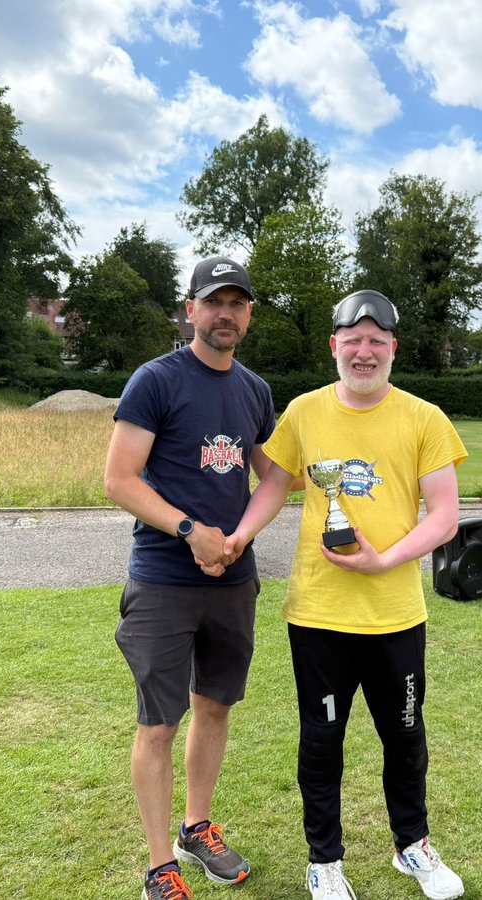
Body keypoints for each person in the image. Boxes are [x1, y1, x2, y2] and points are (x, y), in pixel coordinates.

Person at [223, 289, 467, 900]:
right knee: (322, 741)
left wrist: (384, 559)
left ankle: (412, 846)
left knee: (405, 737)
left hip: (395, 615)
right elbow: (274, 484)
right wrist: (239, 536)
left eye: (376, 341)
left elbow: (444, 516)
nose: (364, 352)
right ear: (334, 346)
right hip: (319, 614)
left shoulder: (425, 418)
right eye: (353, 340)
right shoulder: (305, 412)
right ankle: (324, 862)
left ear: (393, 349)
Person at [104, 255, 275, 900]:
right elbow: (119, 479)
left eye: (236, 304)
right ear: (191, 310)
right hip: (164, 580)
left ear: (248, 314)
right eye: (213, 302)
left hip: (232, 578)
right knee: (159, 723)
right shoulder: (156, 380)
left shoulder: (254, 391)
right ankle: (160, 867)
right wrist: (189, 531)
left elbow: (274, 476)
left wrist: (239, 537)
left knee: (215, 706)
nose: (225, 314)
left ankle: (196, 829)